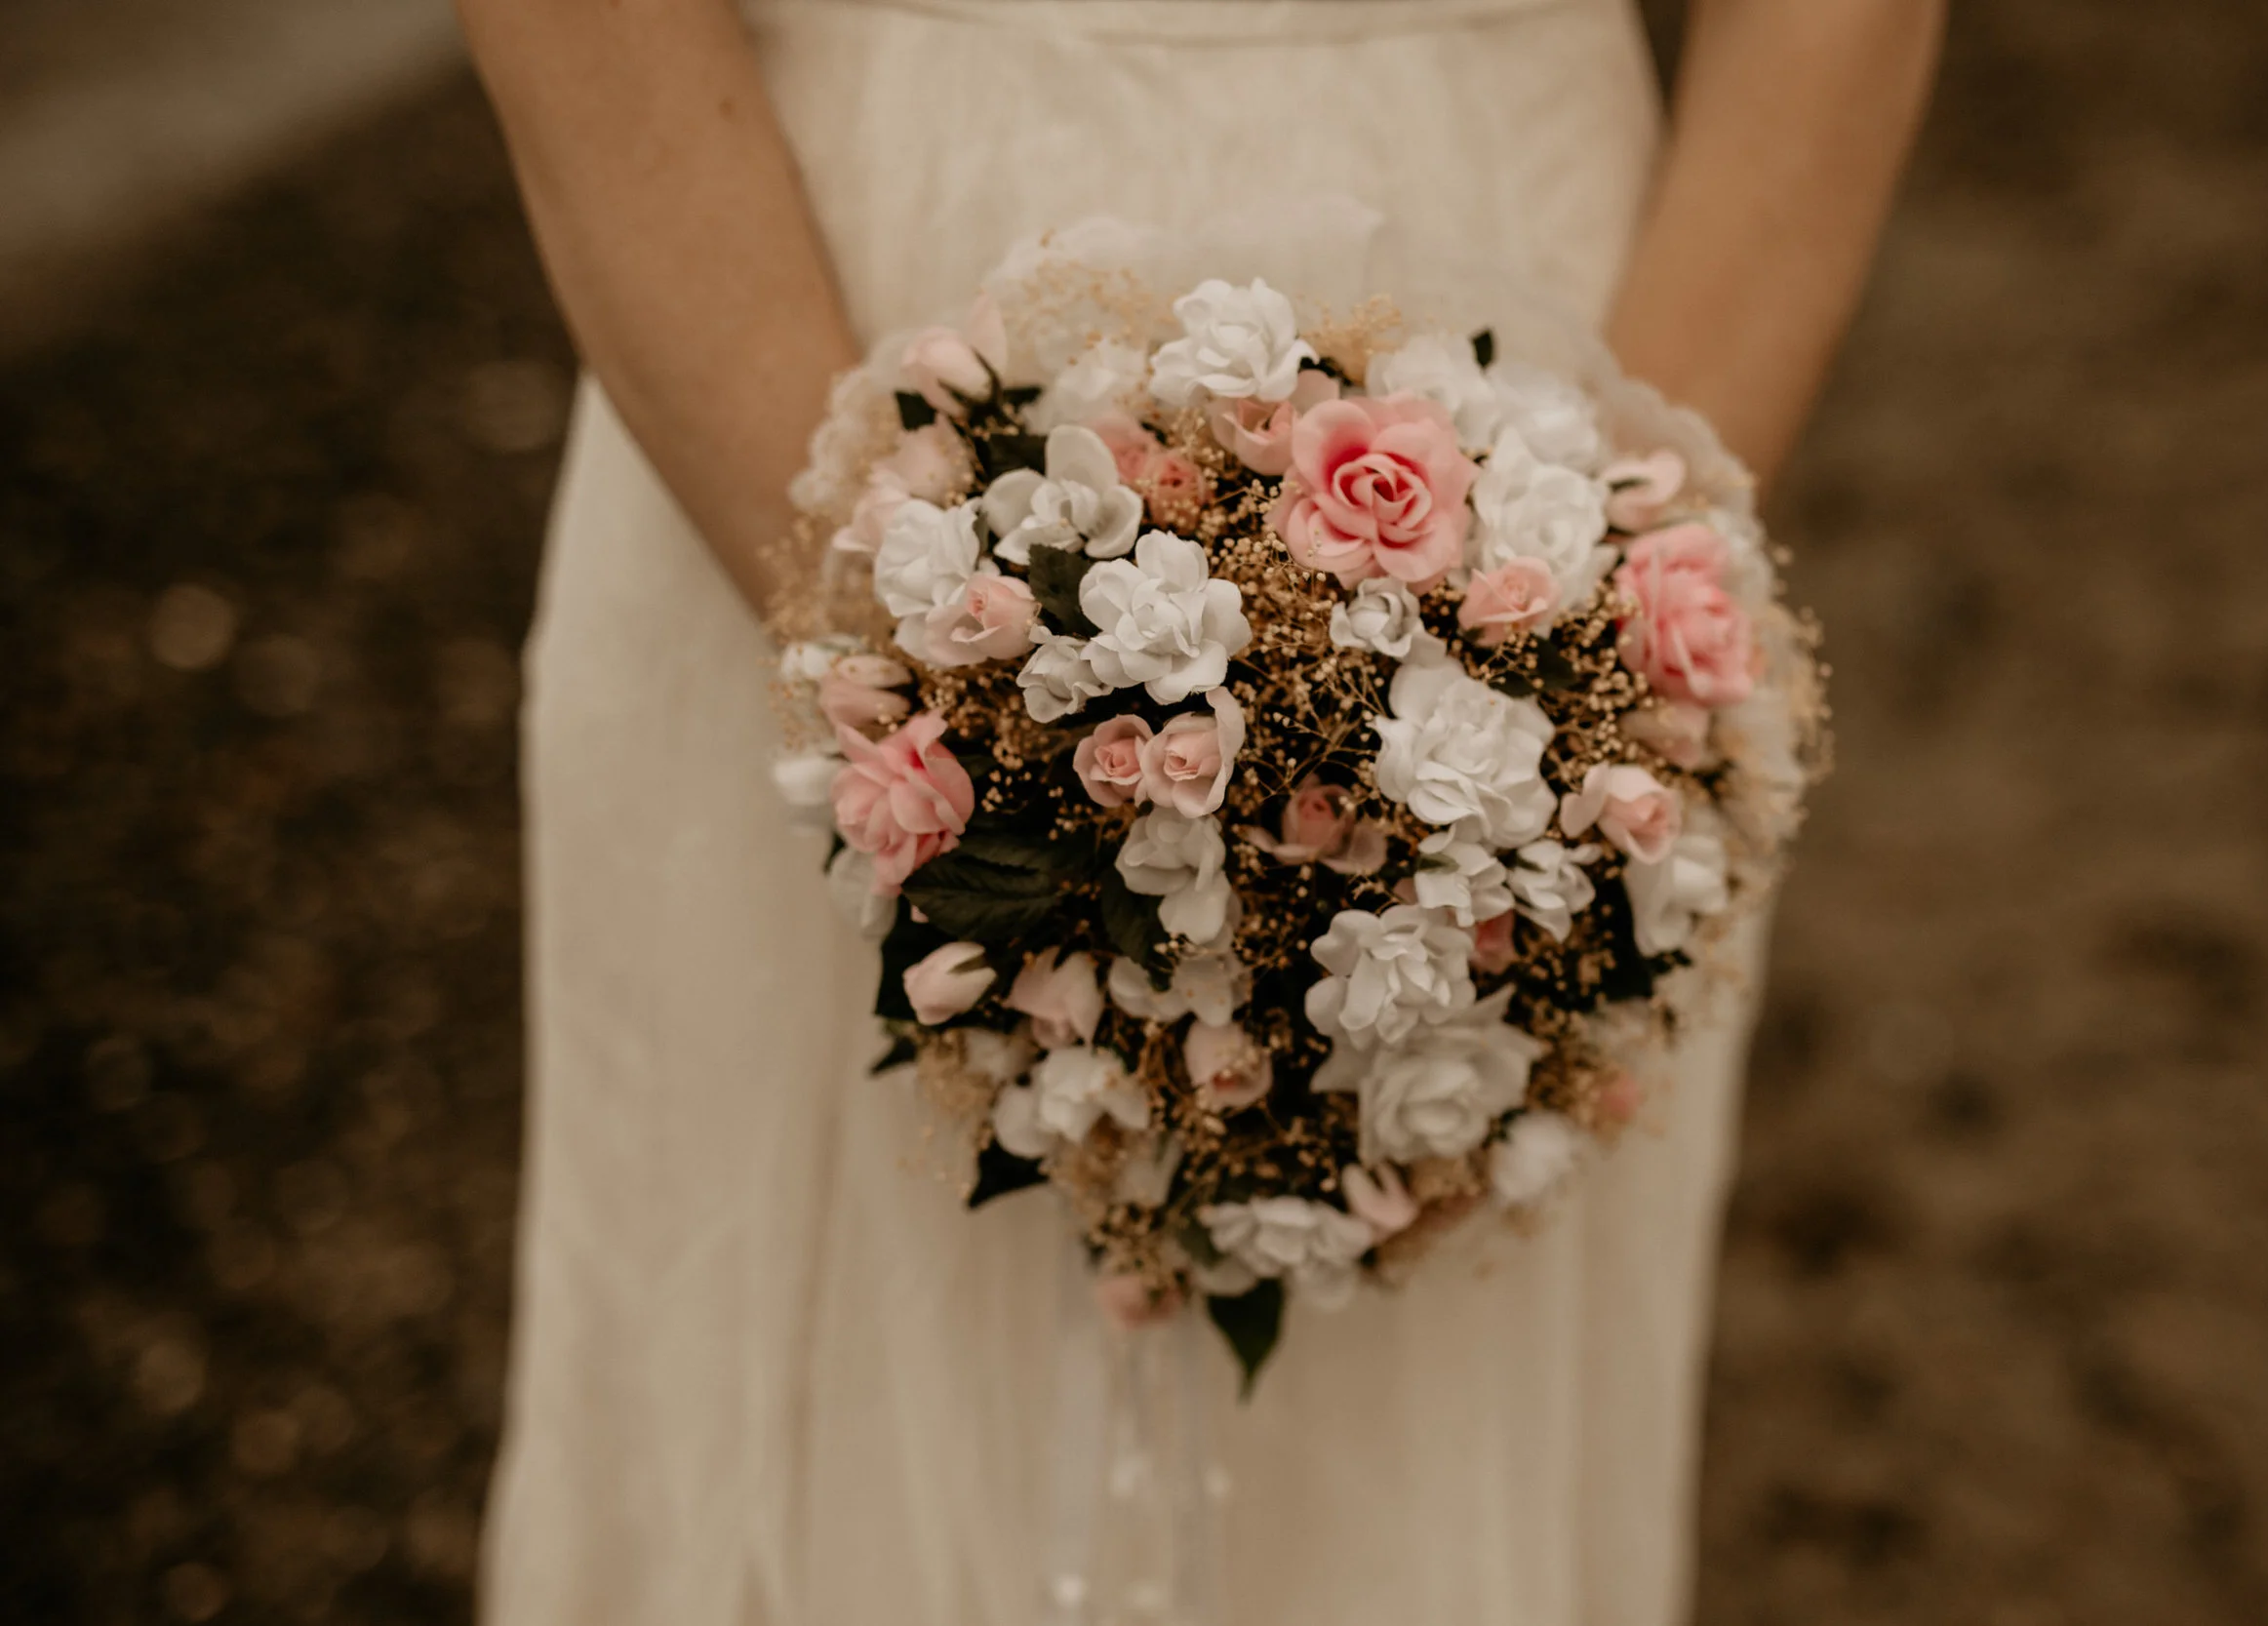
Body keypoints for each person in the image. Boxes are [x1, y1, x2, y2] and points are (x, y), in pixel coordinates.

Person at [458, 0, 1940, 1620]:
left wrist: (1581, 666)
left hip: (1554, 341)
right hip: (795, 303)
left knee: (1433, 1411)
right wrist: (926, 678)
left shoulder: (1566, 585)